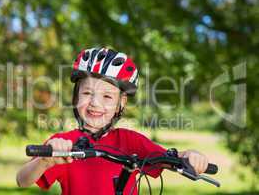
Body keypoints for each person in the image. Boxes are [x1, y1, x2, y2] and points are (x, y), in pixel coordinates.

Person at [16, 47, 209, 195]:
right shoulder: (64, 143)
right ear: (75, 97)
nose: (95, 103)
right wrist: (44, 161)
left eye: (107, 97)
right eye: (87, 93)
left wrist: (189, 155)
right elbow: (22, 180)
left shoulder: (131, 141)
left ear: (120, 104)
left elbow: (168, 158)